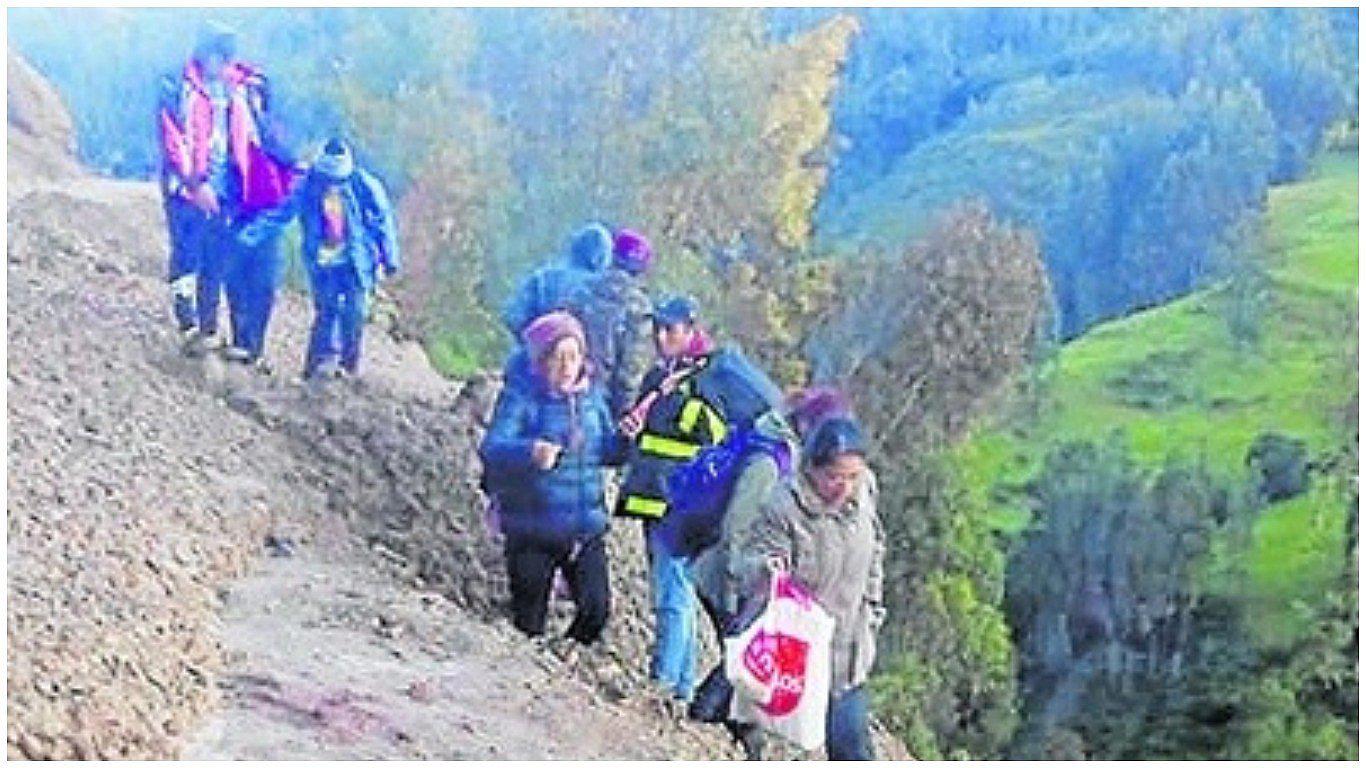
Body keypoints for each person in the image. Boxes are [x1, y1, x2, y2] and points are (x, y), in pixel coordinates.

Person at [616, 295, 783, 712]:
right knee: (678, 594)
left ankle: (665, 684)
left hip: (680, 508)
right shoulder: (664, 377)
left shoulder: (704, 381)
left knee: (671, 595)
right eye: (657, 328)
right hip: (659, 502)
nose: (660, 336)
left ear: (690, 330)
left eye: (669, 329)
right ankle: (681, 686)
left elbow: (721, 440)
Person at [733, 416, 886, 760]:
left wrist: (873, 610)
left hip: (848, 653)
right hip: (795, 654)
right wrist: (766, 569)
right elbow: (749, 563)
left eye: (852, 476)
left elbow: (875, 550)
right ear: (812, 469)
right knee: (775, 736)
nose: (843, 486)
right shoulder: (784, 506)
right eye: (834, 476)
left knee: (853, 749)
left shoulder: (865, 493)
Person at [479, 311, 626, 647]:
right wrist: (530, 451)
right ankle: (527, 673)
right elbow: (493, 447)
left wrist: (627, 440)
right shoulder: (520, 399)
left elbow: (606, 453)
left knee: (596, 610)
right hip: (531, 529)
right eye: (558, 357)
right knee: (528, 621)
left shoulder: (593, 401)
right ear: (540, 361)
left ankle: (561, 657)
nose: (566, 366)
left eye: (573, 356)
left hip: (584, 530)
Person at [159, 22, 293, 357]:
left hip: (228, 190)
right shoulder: (178, 87)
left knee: (216, 260)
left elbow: (257, 136)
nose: (222, 64)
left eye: (227, 58)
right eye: (219, 57)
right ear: (204, 54)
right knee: (187, 252)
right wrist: (195, 183)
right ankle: (190, 325)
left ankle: (209, 330)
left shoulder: (240, 89)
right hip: (187, 189)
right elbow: (173, 140)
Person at [239, 137, 399, 380]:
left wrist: (389, 258)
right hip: (323, 261)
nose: (331, 184)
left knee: (355, 313)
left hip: (356, 259)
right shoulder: (308, 186)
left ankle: (348, 369)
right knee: (326, 312)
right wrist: (249, 236)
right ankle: (313, 370)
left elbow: (382, 221)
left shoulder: (364, 185)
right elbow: (282, 214)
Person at [577, 227, 656, 419]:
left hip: (567, 391)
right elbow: (631, 368)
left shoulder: (581, 291)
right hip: (602, 402)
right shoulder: (637, 305)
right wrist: (625, 411)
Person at [501, 223, 613, 337]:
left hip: (538, 349)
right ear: (606, 255)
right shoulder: (607, 290)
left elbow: (513, 316)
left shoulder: (542, 279)